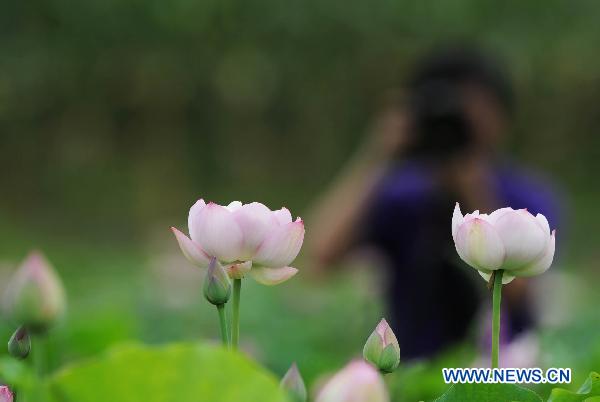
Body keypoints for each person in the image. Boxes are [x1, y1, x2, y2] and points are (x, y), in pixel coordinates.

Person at [308, 46, 561, 360]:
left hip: (510, 368)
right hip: (414, 372)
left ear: (502, 117)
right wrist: (377, 154)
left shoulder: (526, 197)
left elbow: (522, 294)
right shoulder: (401, 197)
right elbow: (320, 258)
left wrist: (475, 196)